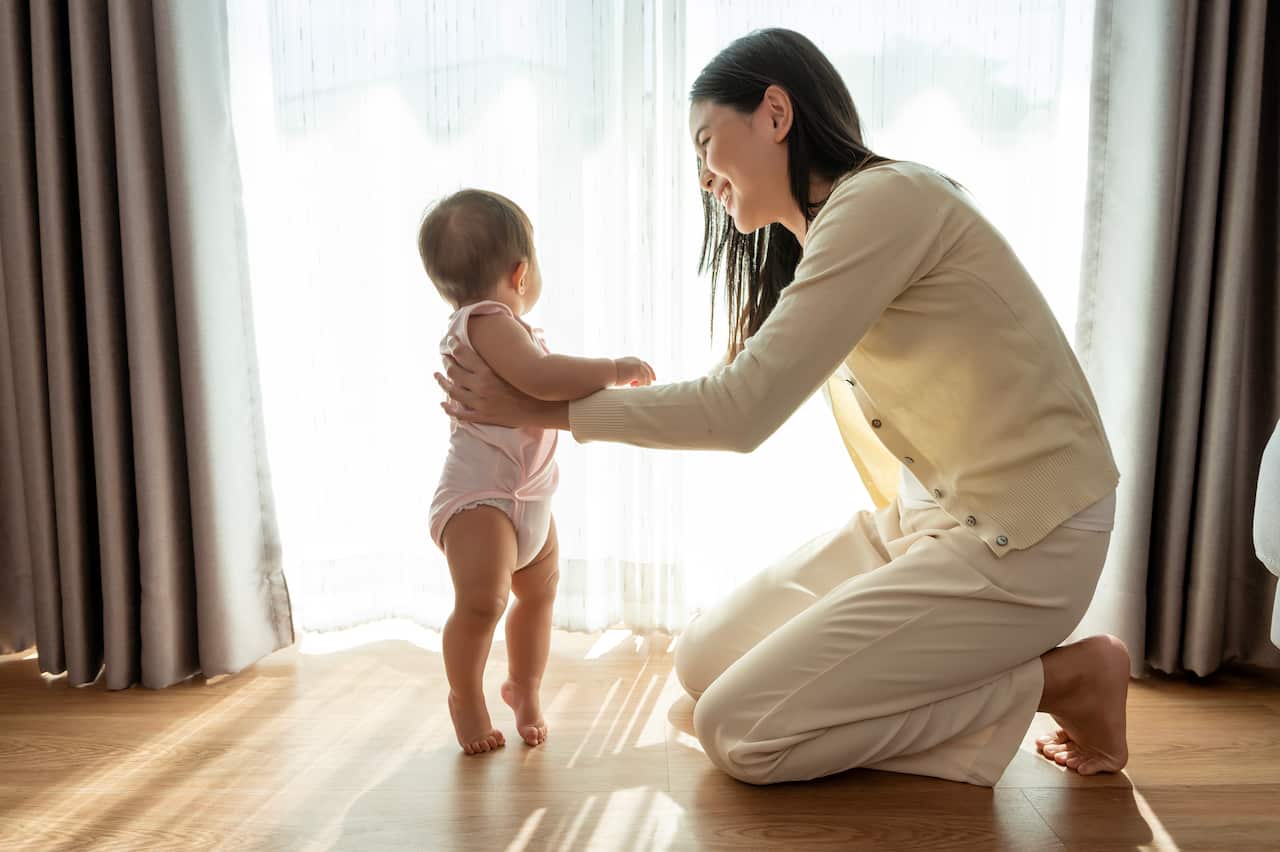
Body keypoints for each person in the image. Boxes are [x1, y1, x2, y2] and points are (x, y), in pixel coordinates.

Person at [434, 29, 1130, 785]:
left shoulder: (886, 202)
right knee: (701, 661)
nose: (703, 176)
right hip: (930, 522)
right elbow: (733, 392)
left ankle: (1063, 681)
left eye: (706, 143)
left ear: (774, 113)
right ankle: (966, 682)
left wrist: (544, 409)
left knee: (740, 735)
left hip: (1024, 537)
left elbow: (738, 413)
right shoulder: (833, 232)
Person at [419, 189, 655, 754]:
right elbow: (544, 380)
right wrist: (614, 367)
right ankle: (465, 697)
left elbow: (537, 384)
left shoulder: (497, 327)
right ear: (521, 272)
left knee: (539, 594)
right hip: (481, 499)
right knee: (482, 604)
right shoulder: (488, 320)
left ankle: (522, 686)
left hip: (530, 498)